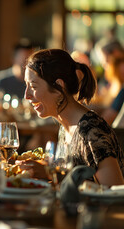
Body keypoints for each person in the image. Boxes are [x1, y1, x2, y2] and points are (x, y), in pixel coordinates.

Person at [22, 49, 124, 186]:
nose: (26, 96)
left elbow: (114, 192)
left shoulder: (92, 132)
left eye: (33, 86)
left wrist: (50, 173)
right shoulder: (66, 127)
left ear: (59, 86)